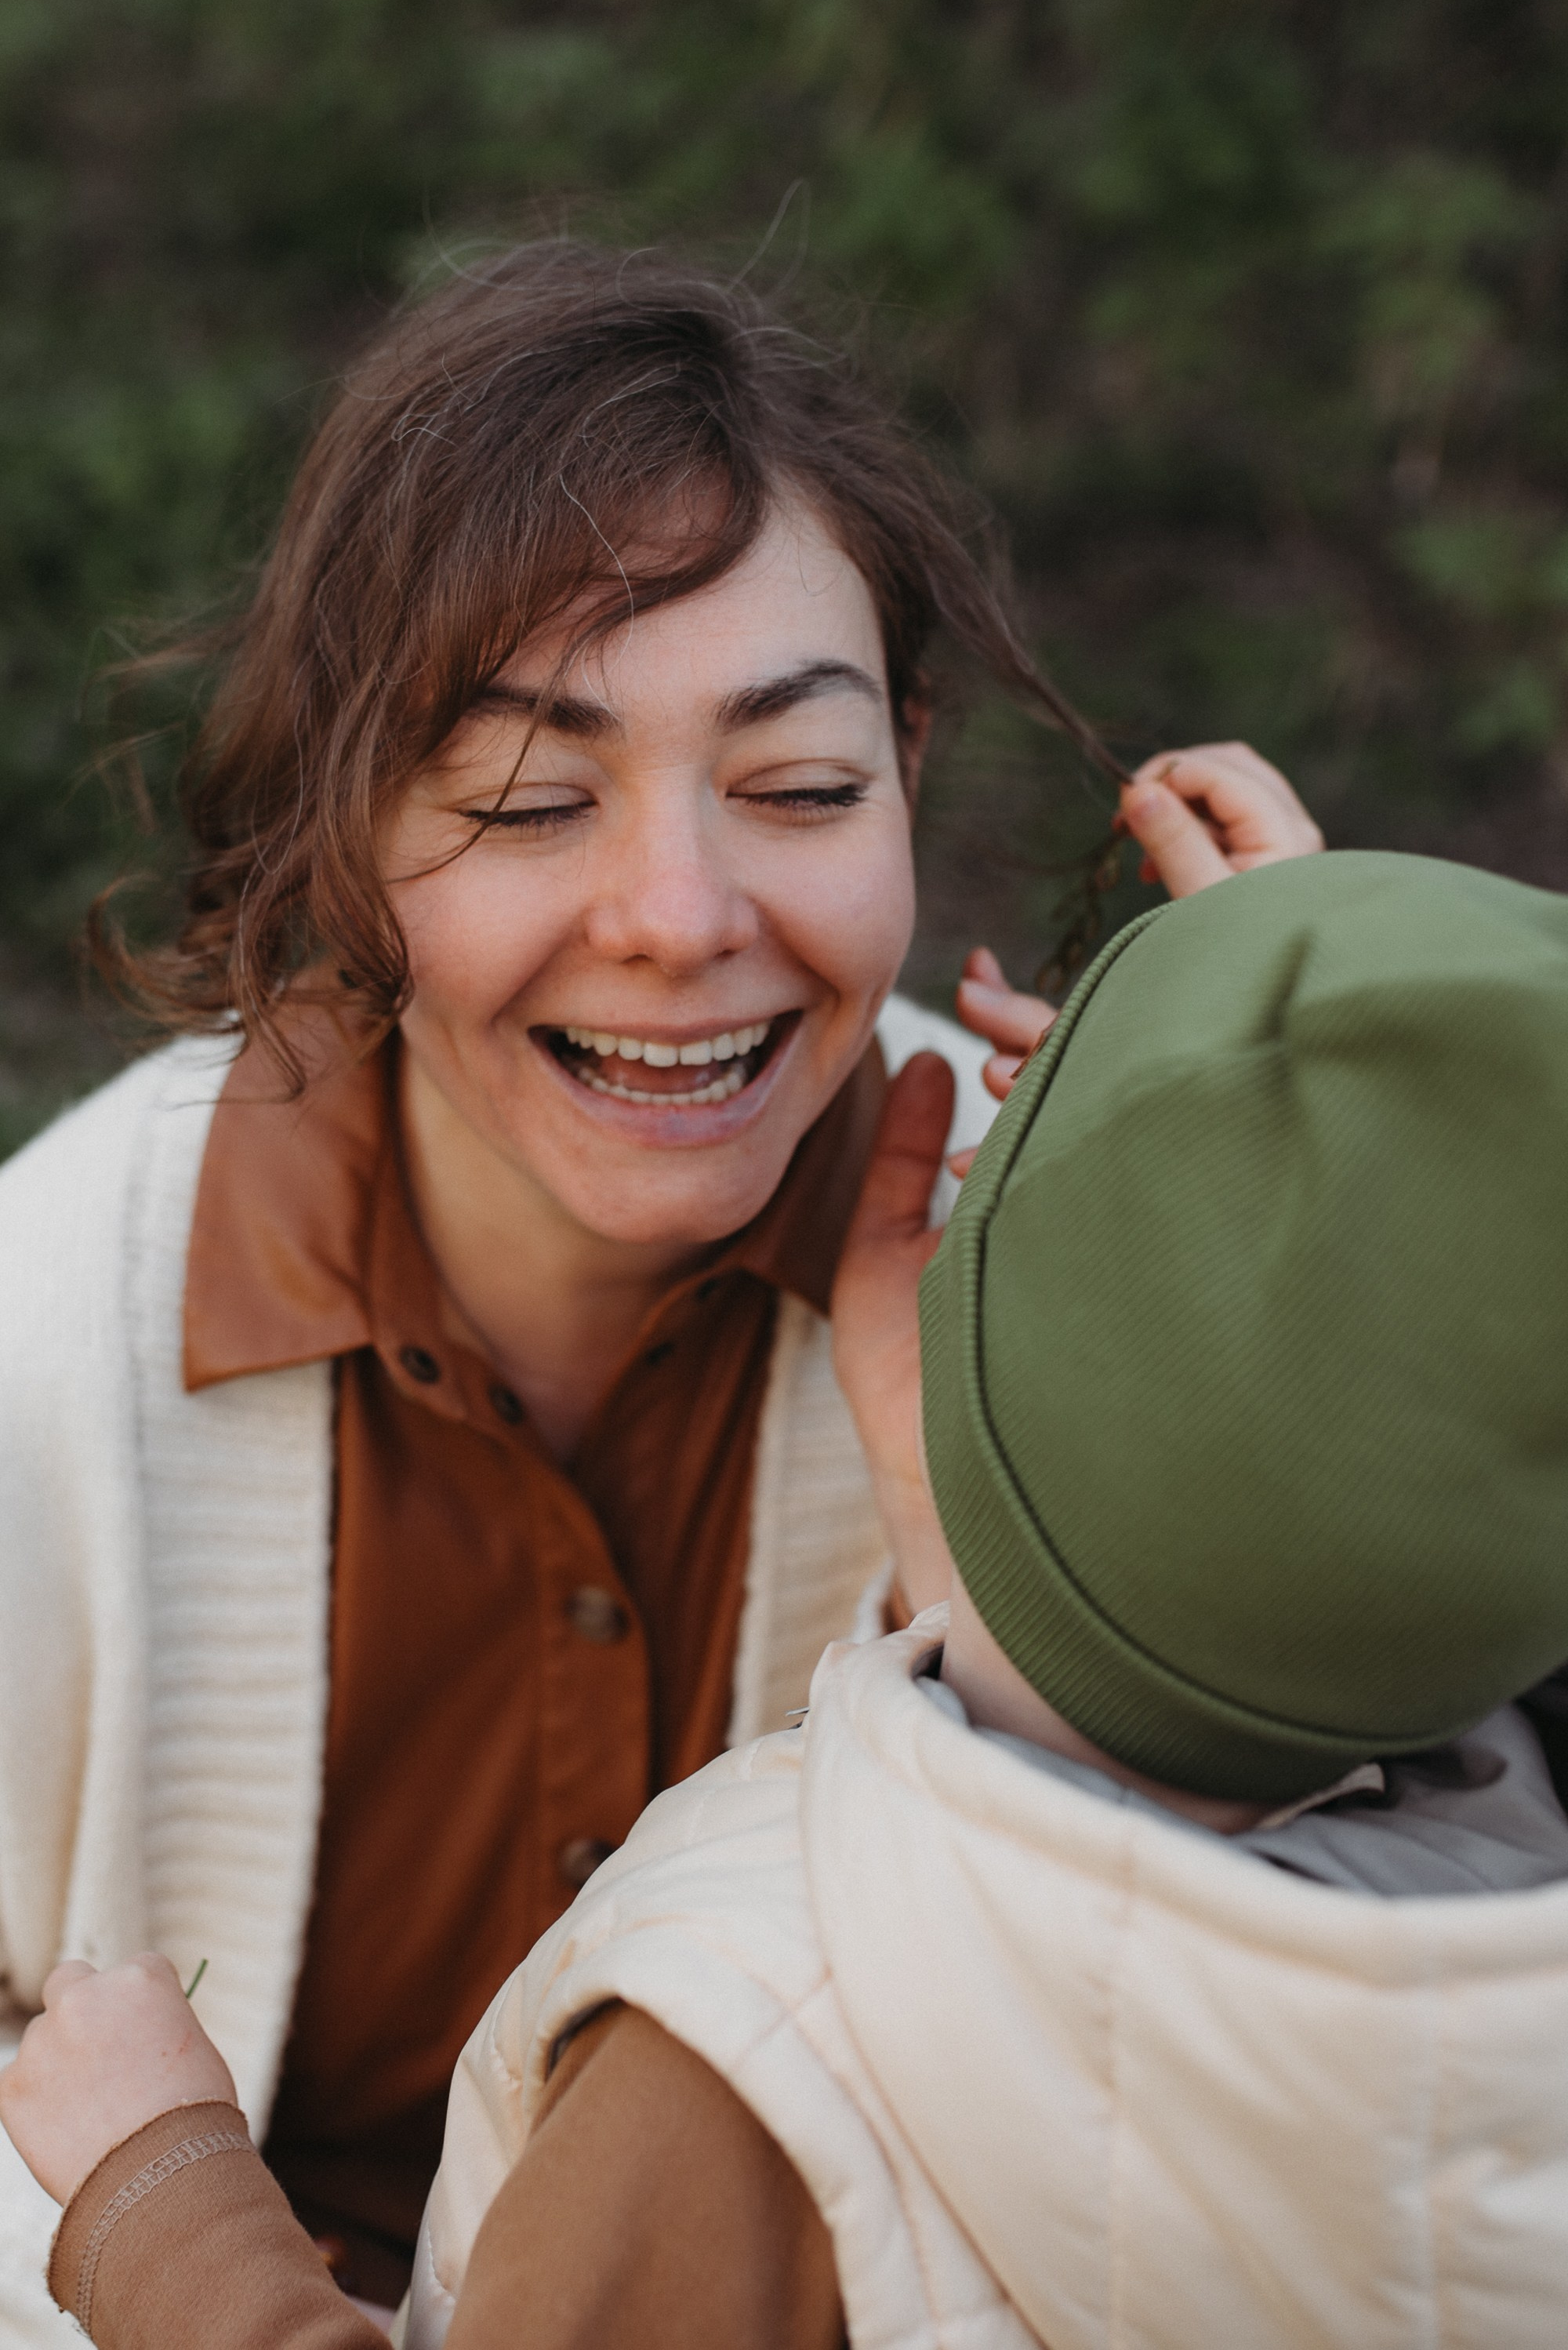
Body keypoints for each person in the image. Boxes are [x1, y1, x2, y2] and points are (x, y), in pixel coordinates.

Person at [0, 238, 1324, 2339]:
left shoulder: (1074, 1249)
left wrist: (1301, 1223)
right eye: (534, 798)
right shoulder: (51, 1324)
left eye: (797, 787)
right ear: (354, 837)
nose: (685, 915)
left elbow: (1276, 2083)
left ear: (905, 770)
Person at [12, 846, 1568, 2350]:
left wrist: (165, 2197)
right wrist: (1365, 1164)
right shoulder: (1503, 1940)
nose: (678, 918)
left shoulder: (745, 2043)